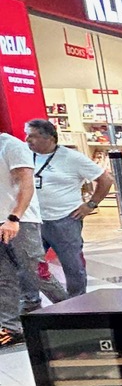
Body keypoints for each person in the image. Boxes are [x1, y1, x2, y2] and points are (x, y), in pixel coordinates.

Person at [24, 119, 115, 298]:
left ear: (49, 138)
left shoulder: (72, 158)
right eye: (27, 135)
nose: (27, 140)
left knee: (72, 265)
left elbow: (106, 179)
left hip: (65, 220)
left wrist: (90, 204)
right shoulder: (25, 156)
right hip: (33, 219)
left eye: (32, 136)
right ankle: (31, 301)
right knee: (28, 265)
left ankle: (77, 300)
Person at [1, 130, 65, 349]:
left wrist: (14, 217)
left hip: (20, 221)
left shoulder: (10, 145)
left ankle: (75, 312)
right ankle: (10, 329)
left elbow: (26, 184)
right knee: (4, 278)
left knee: (37, 273)